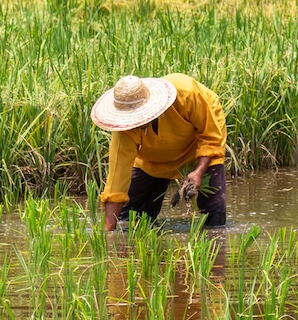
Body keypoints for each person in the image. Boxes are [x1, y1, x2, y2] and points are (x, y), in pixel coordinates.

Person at [91, 73, 227, 231]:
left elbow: (210, 137)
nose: (134, 124)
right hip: (152, 157)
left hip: (197, 145)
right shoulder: (124, 132)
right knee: (128, 217)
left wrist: (199, 171)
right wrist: (108, 236)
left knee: (214, 218)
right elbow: (116, 183)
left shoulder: (187, 94)